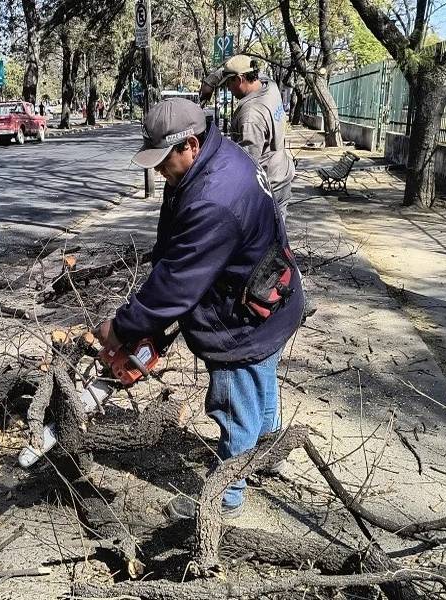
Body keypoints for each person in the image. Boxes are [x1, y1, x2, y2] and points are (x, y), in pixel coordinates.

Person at [94, 99, 304, 519]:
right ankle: (268, 452)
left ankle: (224, 497)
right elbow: (175, 244)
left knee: (233, 401)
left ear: (189, 143)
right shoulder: (217, 155)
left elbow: (177, 283)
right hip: (271, 296)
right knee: (260, 380)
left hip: (240, 319)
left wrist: (121, 328)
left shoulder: (214, 197)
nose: (157, 170)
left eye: (162, 159)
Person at [200, 56, 295, 222]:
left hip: (268, 187)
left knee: (264, 242)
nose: (228, 89)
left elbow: (246, 165)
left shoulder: (251, 115)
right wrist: (211, 82)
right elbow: (236, 66)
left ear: (239, 79)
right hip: (282, 174)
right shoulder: (269, 85)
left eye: (229, 84)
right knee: (279, 236)